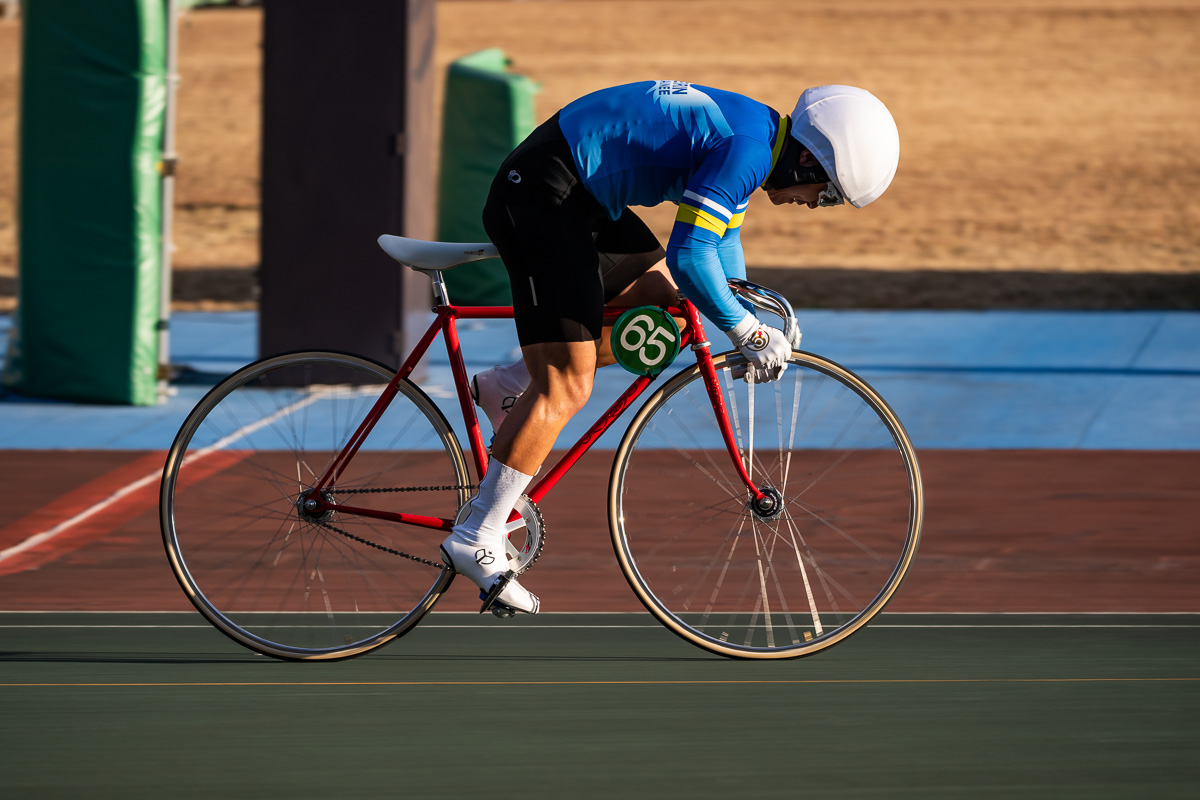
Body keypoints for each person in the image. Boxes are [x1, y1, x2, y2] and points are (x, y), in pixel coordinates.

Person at [440, 81, 900, 615]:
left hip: (575, 192)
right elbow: (689, 255)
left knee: (673, 312)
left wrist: (747, 315)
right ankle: (477, 534)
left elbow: (721, 243)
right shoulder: (748, 150)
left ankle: (509, 385)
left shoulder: (758, 139)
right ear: (807, 160)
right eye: (828, 194)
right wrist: (747, 332)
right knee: (567, 386)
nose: (817, 205)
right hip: (544, 193)